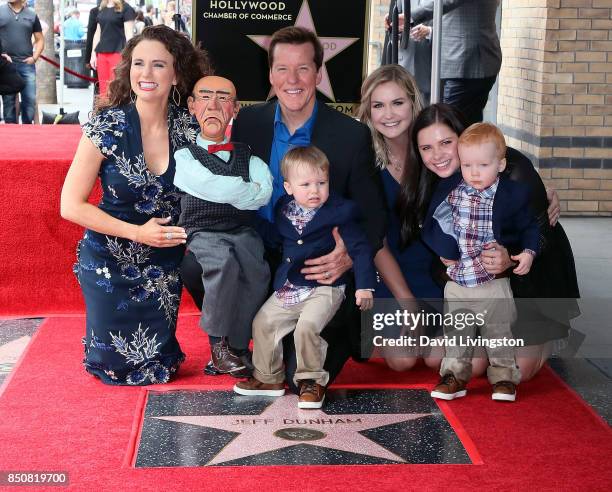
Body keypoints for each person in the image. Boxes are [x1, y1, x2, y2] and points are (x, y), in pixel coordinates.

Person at [181, 26, 388, 394]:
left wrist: (347, 257)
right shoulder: (248, 124)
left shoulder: (350, 135)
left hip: (318, 266)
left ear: (319, 74)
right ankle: (233, 337)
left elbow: (374, 215)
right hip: (260, 251)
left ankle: (310, 348)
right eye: (282, 69)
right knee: (196, 262)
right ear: (270, 74)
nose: (292, 80)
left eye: (303, 69)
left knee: (296, 373)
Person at [60, 26, 210, 385]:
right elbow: (70, 205)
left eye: (158, 65)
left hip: (163, 265)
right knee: (115, 368)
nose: (146, 73)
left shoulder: (191, 130)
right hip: (108, 260)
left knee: (162, 368)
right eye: (139, 63)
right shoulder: (105, 127)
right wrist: (137, 233)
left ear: (176, 74)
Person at [403, 103, 579, 382]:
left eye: (446, 142)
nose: (437, 155)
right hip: (479, 284)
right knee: (439, 359)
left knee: (518, 369)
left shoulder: (515, 169)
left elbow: (542, 235)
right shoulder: (434, 182)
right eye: (426, 148)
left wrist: (511, 259)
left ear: (463, 137)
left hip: (530, 279)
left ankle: (546, 339)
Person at [234, 146, 376, 408]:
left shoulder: (340, 213)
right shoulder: (283, 209)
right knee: (263, 322)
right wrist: (248, 218)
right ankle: (268, 378)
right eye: (306, 184)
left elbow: (360, 248)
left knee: (307, 327)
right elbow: (277, 238)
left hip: (326, 287)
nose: (315, 190)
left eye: (321, 183)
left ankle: (312, 381)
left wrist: (365, 286)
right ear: (288, 188)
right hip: (291, 285)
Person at [422, 122, 539, 402]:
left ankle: (504, 379)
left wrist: (527, 252)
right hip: (458, 280)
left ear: (500, 165)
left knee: (498, 333)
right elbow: (430, 224)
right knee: (457, 335)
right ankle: (453, 377)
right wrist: (442, 248)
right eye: (467, 165)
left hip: (493, 283)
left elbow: (530, 226)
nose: (474, 173)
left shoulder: (513, 194)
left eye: (483, 165)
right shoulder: (450, 190)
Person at [173, 75, 273, 378]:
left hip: (243, 231)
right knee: (223, 264)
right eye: (204, 97)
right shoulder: (184, 156)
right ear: (191, 106)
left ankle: (239, 347)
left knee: (256, 272)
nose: (213, 105)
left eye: (223, 98)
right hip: (203, 232)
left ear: (235, 108)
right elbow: (210, 186)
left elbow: (263, 194)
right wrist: (243, 190)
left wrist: (237, 192)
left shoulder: (249, 156)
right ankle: (218, 344)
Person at [409, 0, 502, 125]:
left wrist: (410, 17)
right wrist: (430, 30)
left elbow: (448, 2)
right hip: (470, 63)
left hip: (468, 64)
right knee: (465, 125)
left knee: (450, 126)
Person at [0, 0, 44, 124]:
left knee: (30, 100)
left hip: (27, 65)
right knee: (8, 103)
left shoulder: (32, 15)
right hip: (5, 66)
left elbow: (40, 39)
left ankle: (27, 129)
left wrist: (34, 57)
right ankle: (10, 132)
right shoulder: (0, 11)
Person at [383, 0, 432, 103]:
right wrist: (392, 23)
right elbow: (395, 26)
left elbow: (450, 25)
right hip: (405, 61)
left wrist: (429, 31)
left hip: (431, 62)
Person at [90, 0, 136, 97]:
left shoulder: (126, 8)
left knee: (116, 86)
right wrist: (93, 55)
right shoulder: (102, 8)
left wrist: (130, 55)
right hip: (101, 53)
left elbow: (129, 35)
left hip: (119, 52)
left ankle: (116, 111)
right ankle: (104, 111)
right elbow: (97, 33)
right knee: (103, 88)